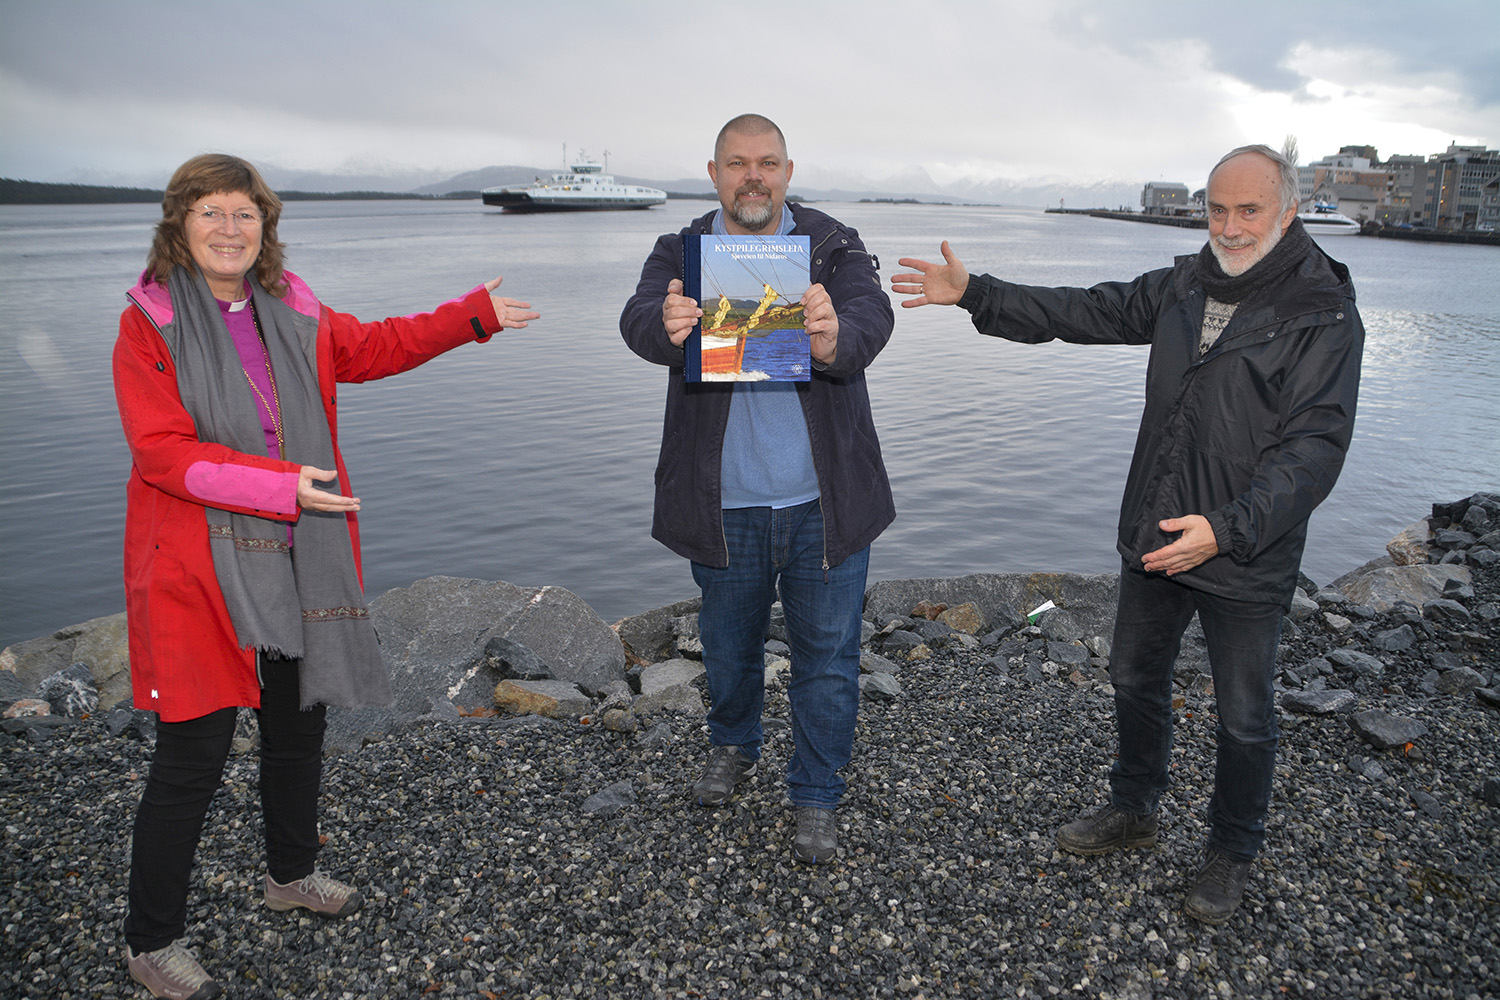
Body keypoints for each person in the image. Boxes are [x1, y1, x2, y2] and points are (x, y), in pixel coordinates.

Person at [890, 144, 1363, 923]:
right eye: (1218, 209)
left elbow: (1315, 449)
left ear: (1287, 212)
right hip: (1157, 528)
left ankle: (1231, 853)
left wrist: (1227, 528)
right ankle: (1134, 808)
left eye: (1249, 210)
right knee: (1134, 678)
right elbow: (1086, 310)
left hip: (1245, 551)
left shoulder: (1322, 311)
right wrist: (977, 293)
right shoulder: (1184, 283)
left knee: (1245, 714)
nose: (1232, 226)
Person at [113, 153, 539, 999]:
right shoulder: (148, 323)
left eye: (245, 213)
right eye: (211, 213)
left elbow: (375, 347)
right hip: (197, 568)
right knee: (191, 758)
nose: (230, 229)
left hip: (296, 555)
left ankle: (291, 873)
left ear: (265, 225)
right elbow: (160, 454)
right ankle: (152, 940)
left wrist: (472, 316)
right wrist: (276, 486)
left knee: (296, 723)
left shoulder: (293, 307)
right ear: (180, 224)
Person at [619, 114, 895, 863]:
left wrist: (838, 337)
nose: (753, 176)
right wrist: (665, 323)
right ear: (713, 173)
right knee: (729, 647)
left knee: (830, 660)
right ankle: (734, 743)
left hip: (823, 505)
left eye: (767, 163)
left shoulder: (832, 246)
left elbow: (874, 314)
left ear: (787, 170)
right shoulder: (679, 249)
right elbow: (637, 319)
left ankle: (815, 794)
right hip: (723, 503)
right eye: (738, 163)